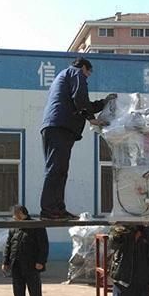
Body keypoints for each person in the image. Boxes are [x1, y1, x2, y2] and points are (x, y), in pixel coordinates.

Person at [40, 58, 110, 220]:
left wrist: (104, 103)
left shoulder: (63, 77)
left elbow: (81, 102)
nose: (87, 77)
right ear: (84, 67)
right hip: (60, 126)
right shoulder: (76, 72)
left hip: (57, 126)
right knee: (56, 169)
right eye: (88, 73)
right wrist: (91, 118)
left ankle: (57, 208)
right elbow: (79, 96)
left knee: (59, 170)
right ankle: (49, 210)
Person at [2, 205, 50, 296]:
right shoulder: (14, 227)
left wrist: (41, 261)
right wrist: (5, 262)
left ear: (21, 213)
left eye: (15, 213)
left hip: (32, 266)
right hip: (16, 265)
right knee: (18, 292)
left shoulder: (36, 226)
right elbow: (8, 245)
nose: (13, 216)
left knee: (35, 293)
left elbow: (43, 245)